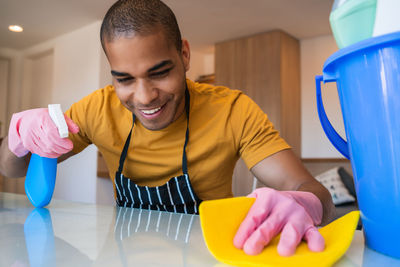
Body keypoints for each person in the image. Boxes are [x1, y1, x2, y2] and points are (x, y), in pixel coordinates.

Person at [0, 0, 335, 257]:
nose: (145, 97)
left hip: (211, 256)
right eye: (125, 79)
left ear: (185, 55)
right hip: (122, 256)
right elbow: (12, 169)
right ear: (112, 73)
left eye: (159, 72)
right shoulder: (96, 108)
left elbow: (312, 189)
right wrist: (17, 138)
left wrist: (303, 202)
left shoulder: (233, 110)